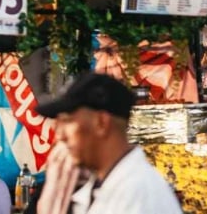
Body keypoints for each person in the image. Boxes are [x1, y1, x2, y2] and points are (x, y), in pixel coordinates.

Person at [35, 71, 182, 214]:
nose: (60, 136)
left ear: (101, 123)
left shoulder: (138, 192)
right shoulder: (104, 185)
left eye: (67, 121)